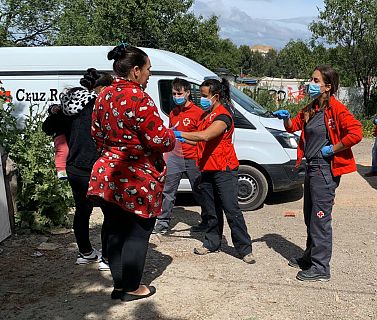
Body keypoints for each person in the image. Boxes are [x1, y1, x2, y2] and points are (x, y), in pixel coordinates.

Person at [87, 44, 176, 301]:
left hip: (108, 173)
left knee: (114, 229)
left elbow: (96, 136)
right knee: (138, 231)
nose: (149, 74)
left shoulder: (103, 96)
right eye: (148, 69)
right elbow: (160, 140)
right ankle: (132, 287)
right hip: (137, 176)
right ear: (135, 71)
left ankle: (119, 285)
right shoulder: (139, 98)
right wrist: (170, 136)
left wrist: (114, 151)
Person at [273, 65, 362, 282]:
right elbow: (292, 125)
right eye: (311, 79)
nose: (309, 84)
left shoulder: (337, 109)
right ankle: (310, 256)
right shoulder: (312, 107)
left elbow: (357, 132)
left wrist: (333, 148)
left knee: (320, 218)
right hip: (311, 166)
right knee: (309, 215)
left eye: (315, 80)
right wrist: (284, 118)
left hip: (324, 169)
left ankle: (321, 268)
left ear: (327, 86)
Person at [176, 78, 255, 264]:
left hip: (223, 168)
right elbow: (199, 140)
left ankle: (244, 249)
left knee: (231, 209)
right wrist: (179, 139)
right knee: (211, 209)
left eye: (204, 96)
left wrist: (180, 133)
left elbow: (206, 135)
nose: (201, 99)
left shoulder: (223, 116)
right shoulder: (206, 115)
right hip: (207, 167)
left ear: (216, 96)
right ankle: (212, 242)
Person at [60, 69, 113, 270]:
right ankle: (107, 258)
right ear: (102, 88)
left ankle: (85, 253)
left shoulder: (70, 106)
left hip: (74, 166)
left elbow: (49, 127)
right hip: (95, 166)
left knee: (82, 210)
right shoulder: (98, 106)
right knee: (110, 212)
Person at [154, 78, 207, 234]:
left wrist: (190, 141)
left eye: (179, 93)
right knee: (168, 191)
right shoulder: (173, 112)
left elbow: (203, 136)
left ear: (188, 93)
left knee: (199, 191)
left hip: (193, 158)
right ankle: (163, 223)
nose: (176, 96)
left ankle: (207, 221)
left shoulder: (199, 113)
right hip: (175, 158)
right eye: (174, 93)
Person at [41, 104, 70, 180]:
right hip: (59, 135)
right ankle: (61, 170)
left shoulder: (67, 112)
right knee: (63, 150)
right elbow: (45, 127)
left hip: (70, 135)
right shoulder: (52, 118)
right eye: (53, 108)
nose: (56, 109)